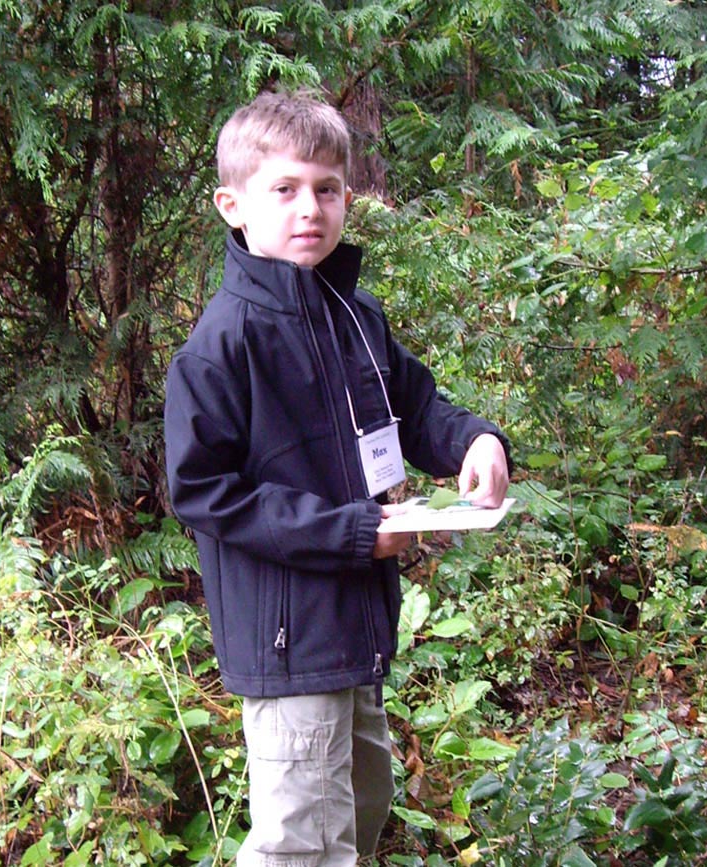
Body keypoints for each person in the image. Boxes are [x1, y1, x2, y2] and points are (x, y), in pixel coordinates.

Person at [164, 90, 512, 866]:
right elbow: (203, 491)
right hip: (288, 640)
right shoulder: (222, 345)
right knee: (302, 845)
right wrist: (357, 531)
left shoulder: (355, 316)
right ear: (233, 204)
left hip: (354, 627)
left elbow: (417, 409)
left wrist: (475, 441)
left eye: (326, 189)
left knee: (357, 807)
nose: (308, 209)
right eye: (282, 189)